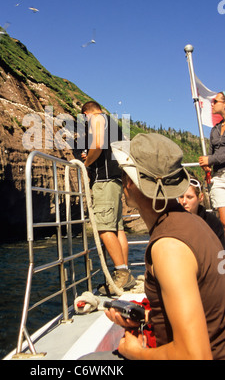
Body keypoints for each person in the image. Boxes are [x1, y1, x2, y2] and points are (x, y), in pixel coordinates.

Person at [96, 133, 225, 360]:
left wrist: (135, 352)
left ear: (130, 183)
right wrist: (147, 317)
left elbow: (196, 356)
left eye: (124, 174)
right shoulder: (194, 224)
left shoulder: (169, 246)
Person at [81, 101, 135, 295]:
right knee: (117, 228)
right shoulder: (113, 124)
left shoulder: (97, 118)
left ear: (87, 113)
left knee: (104, 227)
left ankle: (121, 273)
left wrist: (86, 162)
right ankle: (125, 275)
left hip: (104, 182)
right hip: (116, 180)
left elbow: (96, 144)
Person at [199, 91, 225, 230]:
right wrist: (206, 165)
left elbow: (212, 157)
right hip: (218, 176)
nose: (212, 104)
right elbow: (211, 152)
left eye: (215, 101)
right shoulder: (215, 129)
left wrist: (210, 159)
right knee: (224, 221)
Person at [178, 176, 225, 248]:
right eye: (181, 197)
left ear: (200, 197)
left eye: (189, 197)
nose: (184, 201)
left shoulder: (212, 223)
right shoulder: (172, 220)